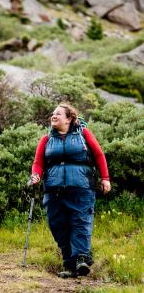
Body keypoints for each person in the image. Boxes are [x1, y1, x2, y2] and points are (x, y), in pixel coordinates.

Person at [31, 103, 111, 278]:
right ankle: (69, 264)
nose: (53, 116)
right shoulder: (46, 140)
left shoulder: (83, 134)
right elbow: (38, 163)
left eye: (58, 114)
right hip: (53, 190)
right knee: (57, 225)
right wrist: (35, 176)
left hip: (81, 187)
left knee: (80, 221)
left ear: (69, 118)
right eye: (53, 114)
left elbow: (99, 155)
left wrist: (105, 178)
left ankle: (81, 258)